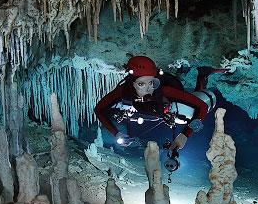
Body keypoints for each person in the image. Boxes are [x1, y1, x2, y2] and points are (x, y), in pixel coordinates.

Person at [93, 56, 225, 153]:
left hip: (169, 106)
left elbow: (202, 106)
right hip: (145, 109)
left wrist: (186, 134)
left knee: (187, 114)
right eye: (141, 84)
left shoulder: (164, 90)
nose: (148, 89)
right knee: (116, 107)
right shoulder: (123, 91)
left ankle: (203, 75)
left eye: (152, 83)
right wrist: (116, 133)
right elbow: (99, 109)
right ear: (131, 83)